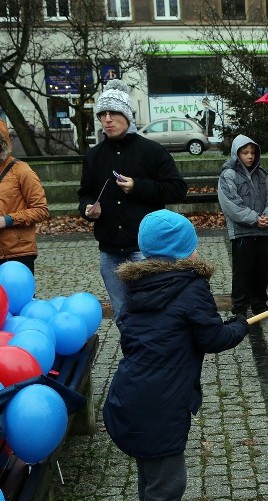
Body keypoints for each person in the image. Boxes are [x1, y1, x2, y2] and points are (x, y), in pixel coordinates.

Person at [102, 209, 249, 501]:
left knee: (154, 476)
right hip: (158, 404)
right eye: (192, 244)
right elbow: (212, 338)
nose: (197, 249)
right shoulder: (190, 287)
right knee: (167, 480)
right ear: (184, 252)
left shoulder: (135, 285)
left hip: (133, 396)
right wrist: (241, 325)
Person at [78, 79, 188, 323]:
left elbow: (178, 189)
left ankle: (158, 358)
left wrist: (139, 187)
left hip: (146, 251)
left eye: (114, 113)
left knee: (153, 313)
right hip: (109, 252)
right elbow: (84, 193)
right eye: (102, 114)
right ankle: (133, 359)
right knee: (123, 315)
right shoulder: (94, 156)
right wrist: (87, 209)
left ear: (127, 116)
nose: (107, 119)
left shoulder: (152, 151)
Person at [217, 134, 268, 318]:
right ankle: (240, 309)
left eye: (252, 152)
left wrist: (267, 216)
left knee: (260, 271)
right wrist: (253, 218)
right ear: (237, 154)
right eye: (245, 152)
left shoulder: (262, 175)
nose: (250, 156)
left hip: (262, 231)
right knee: (242, 272)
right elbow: (231, 204)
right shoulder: (228, 175)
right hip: (242, 233)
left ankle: (260, 305)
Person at [0, 119, 49, 273]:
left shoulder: (22, 171)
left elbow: (41, 210)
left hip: (17, 253)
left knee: (19, 297)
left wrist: (7, 220)